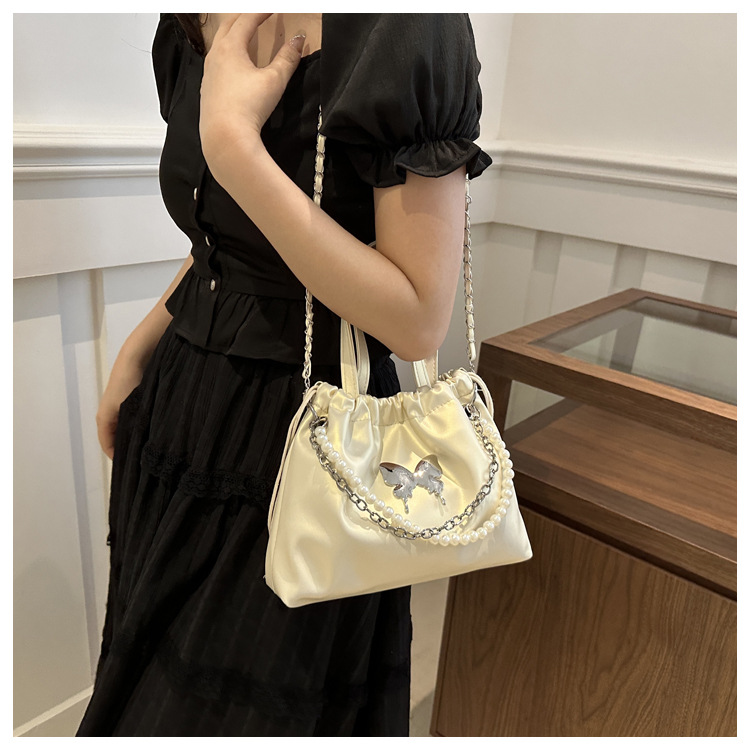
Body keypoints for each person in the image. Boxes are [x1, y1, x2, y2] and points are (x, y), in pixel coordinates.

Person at [76, 12, 492, 737]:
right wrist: (140, 346)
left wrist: (236, 148)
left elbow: (418, 318)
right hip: (182, 411)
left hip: (310, 438)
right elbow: (225, 245)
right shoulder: (190, 20)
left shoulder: (403, 26)